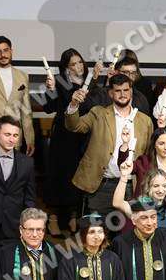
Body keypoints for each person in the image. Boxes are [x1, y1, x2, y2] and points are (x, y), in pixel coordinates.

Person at [64, 74, 153, 218]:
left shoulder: (145, 121)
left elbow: (148, 155)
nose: (122, 94)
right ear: (111, 93)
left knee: (129, 230)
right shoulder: (98, 113)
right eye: (118, 91)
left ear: (131, 91)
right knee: (96, 229)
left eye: (126, 90)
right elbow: (74, 126)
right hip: (102, 185)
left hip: (132, 186)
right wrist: (74, 104)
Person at [42, 48, 97, 234]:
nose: (78, 66)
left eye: (80, 62)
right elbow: (48, 107)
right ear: (66, 68)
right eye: (73, 64)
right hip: (64, 137)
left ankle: (74, 217)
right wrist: (50, 90)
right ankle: (53, 219)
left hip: (84, 136)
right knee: (60, 176)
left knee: (78, 175)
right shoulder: (59, 81)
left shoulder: (89, 81)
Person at [114, 163, 166, 261]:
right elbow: (117, 203)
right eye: (156, 186)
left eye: (164, 186)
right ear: (148, 187)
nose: (161, 190)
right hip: (143, 258)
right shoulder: (140, 205)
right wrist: (124, 176)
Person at [0, 116, 35, 241]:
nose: (12, 139)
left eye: (15, 135)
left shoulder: (27, 162)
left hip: (13, 226)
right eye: (7, 134)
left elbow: (29, 198)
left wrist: (28, 224)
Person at [132, 127, 166, 217]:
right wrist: (125, 146)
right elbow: (126, 167)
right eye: (161, 143)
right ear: (154, 145)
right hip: (146, 215)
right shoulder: (144, 162)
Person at [0, 36, 34, 155]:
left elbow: (26, 111)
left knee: (12, 167)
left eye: (6, 50)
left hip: (14, 137)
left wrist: (30, 139)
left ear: (11, 51)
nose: (3, 55)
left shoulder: (22, 76)